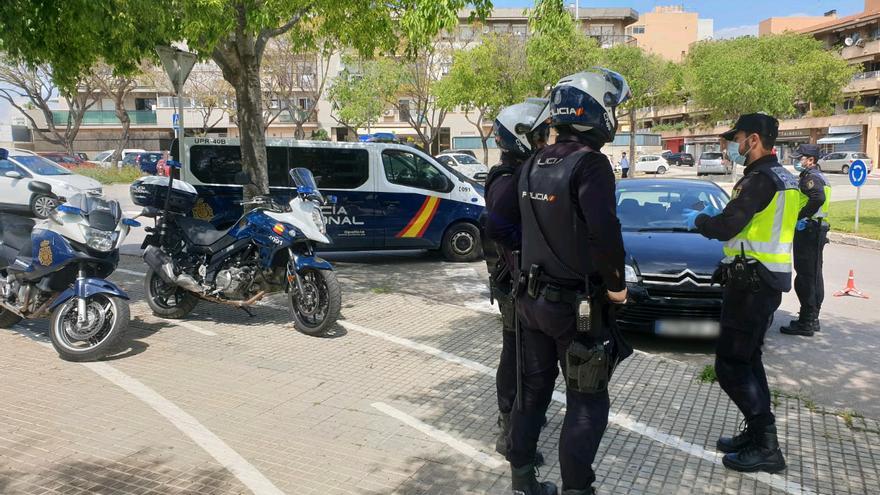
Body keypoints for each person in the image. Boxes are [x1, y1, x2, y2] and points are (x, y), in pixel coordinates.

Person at [508, 69, 633, 495]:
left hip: (531, 301)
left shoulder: (529, 165)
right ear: (595, 111)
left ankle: (522, 481)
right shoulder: (591, 165)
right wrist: (616, 288)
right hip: (576, 310)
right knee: (586, 402)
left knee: (533, 393)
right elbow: (604, 233)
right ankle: (577, 489)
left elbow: (506, 224)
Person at [684, 113, 797, 474]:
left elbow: (728, 225)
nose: (732, 144)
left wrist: (701, 221)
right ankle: (757, 434)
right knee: (749, 360)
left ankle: (767, 445)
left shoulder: (759, 180)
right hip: (764, 280)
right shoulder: (784, 178)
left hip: (751, 285)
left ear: (755, 140)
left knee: (729, 365)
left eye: (738, 137)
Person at [481, 99, 550, 463]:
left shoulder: (521, 173)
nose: (544, 143)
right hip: (513, 284)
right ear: (520, 138)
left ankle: (517, 418)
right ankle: (509, 429)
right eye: (539, 136)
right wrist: (529, 246)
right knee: (516, 354)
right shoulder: (508, 180)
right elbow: (498, 228)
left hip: (518, 280)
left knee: (522, 353)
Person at [779, 144, 830, 337]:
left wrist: (800, 216)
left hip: (808, 229)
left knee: (806, 276)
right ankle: (813, 318)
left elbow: (817, 198)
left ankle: (806, 322)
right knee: (815, 275)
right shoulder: (821, 177)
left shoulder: (811, 178)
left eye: (801, 158)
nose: (797, 161)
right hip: (817, 229)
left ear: (811, 160)